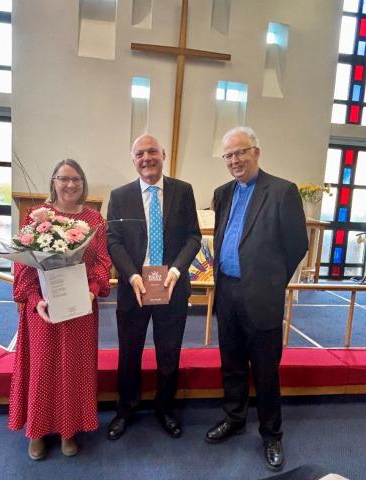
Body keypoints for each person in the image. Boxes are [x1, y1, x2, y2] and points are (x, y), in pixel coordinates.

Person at [206, 127, 308, 471]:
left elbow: (297, 245)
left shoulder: (281, 191)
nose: (235, 160)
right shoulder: (222, 194)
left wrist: (273, 282)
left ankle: (271, 435)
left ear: (257, 152)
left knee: (265, 371)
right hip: (227, 292)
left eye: (241, 152)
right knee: (231, 364)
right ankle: (234, 419)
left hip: (262, 296)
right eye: (229, 155)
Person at [8, 159, 111, 460]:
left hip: (80, 307)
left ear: (83, 183)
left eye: (76, 179)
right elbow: (23, 261)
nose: (70, 185)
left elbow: (102, 262)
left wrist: (92, 291)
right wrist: (32, 297)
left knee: (74, 368)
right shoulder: (38, 216)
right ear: (53, 182)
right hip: (43, 309)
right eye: (63, 179)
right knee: (42, 368)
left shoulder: (95, 220)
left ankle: (69, 430)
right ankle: (37, 431)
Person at [106, 134, 201, 440]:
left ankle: (165, 408)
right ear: (133, 160)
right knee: (129, 353)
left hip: (172, 287)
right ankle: (126, 408)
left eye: (151, 152)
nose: (146, 158)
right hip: (134, 287)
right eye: (139, 154)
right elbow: (114, 241)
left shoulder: (183, 191)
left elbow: (193, 237)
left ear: (163, 155)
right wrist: (132, 275)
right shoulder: (120, 195)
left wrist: (176, 270)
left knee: (169, 353)